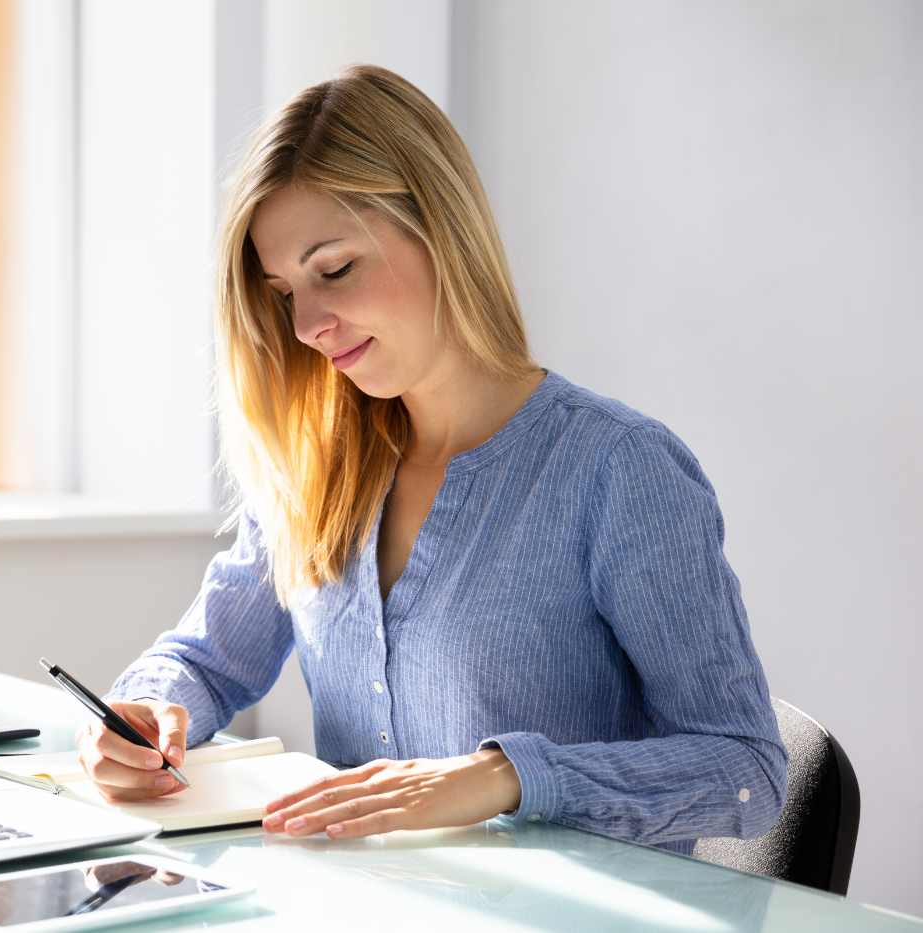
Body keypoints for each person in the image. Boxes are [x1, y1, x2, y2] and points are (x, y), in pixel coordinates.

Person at [78, 64, 786, 853]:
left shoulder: (619, 471)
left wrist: (504, 776)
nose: (307, 322)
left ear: (439, 228)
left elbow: (744, 771)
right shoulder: (312, 466)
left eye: (334, 268)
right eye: (283, 293)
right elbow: (205, 662)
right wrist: (143, 713)